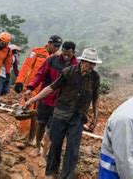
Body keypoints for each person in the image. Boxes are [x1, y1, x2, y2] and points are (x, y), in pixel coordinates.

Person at [24, 48, 101, 179]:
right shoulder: (68, 72)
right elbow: (50, 88)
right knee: (56, 144)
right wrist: (32, 99)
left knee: (73, 148)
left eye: (94, 64)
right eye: (90, 63)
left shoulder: (94, 77)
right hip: (60, 113)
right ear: (83, 61)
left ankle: (67, 176)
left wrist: (95, 116)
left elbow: (95, 98)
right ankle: (50, 173)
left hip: (78, 116)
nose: (92, 66)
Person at [26, 41, 77, 156]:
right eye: (64, 53)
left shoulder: (75, 66)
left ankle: (45, 152)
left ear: (73, 53)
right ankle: (37, 146)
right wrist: (31, 87)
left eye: (69, 54)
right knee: (41, 123)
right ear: (62, 51)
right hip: (45, 97)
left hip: (60, 102)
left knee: (52, 127)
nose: (66, 56)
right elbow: (40, 74)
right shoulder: (52, 60)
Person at [14, 35, 63, 143]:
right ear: (49, 43)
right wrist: (19, 81)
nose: (56, 48)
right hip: (32, 88)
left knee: (39, 115)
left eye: (58, 46)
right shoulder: (36, 52)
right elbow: (26, 65)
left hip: (46, 91)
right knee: (26, 111)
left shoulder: (58, 58)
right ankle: (22, 138)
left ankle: (34, 139)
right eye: (55, 45)